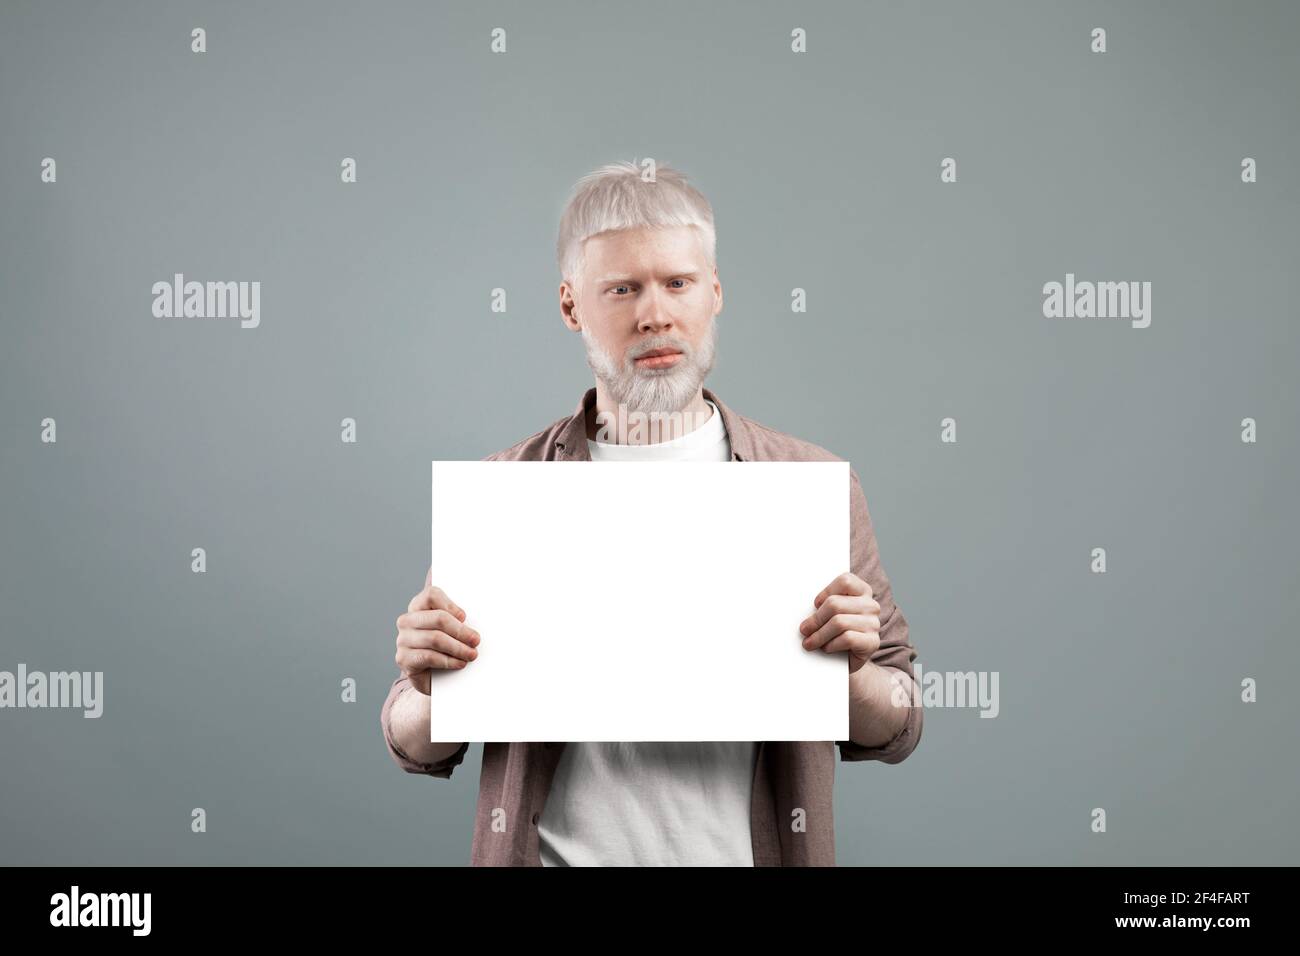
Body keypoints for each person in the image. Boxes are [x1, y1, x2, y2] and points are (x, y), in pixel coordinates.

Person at [381, 160, 922, 866]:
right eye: (622, 289)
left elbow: (898, 724)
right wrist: (427, 685)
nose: (655, 314)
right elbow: (413, 741)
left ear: (715, 291)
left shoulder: (811, 484)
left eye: (677, 282)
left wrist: (851, 674)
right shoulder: (506, 490)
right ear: (572, 305)